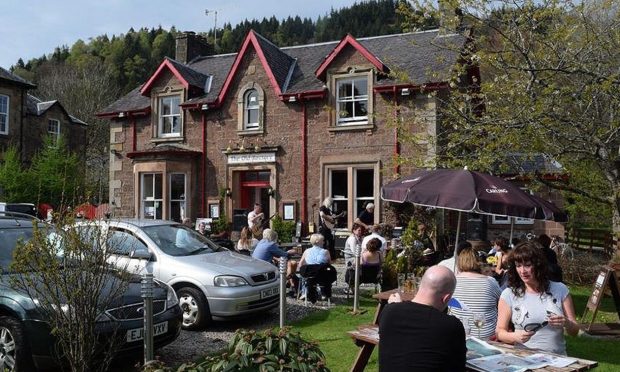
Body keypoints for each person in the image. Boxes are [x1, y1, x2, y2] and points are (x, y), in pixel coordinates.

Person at [496, 241, 579, 355]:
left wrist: (567, 323)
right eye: (518, 266)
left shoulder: (560, 289)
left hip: (557, 360)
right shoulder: (509, 294)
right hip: (523, 359)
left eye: (527, 265)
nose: (522, 271)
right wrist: (514, 336)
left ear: (538, 265)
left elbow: (574, 331)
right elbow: (500, 332)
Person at [380, 265, 466, 371]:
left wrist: (395, 306)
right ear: (446, 298)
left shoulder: (389, 311)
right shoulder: (451, 326)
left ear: (420, 285)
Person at [451, 247, 502, 340]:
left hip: (457, 335)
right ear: (478, 261)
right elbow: (503, 304)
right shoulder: (490, 282)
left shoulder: (452, 281)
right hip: (487, 338)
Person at [298, 233, 332, 300]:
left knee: (303, 273)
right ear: (318, 241)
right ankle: (324, 292)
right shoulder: (326, 252)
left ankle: (304, 292)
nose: (324, 242)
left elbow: (300, 264)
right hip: (321, 276)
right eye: (323, 240)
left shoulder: (307, 251)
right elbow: (329, 264)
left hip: (309, 275)